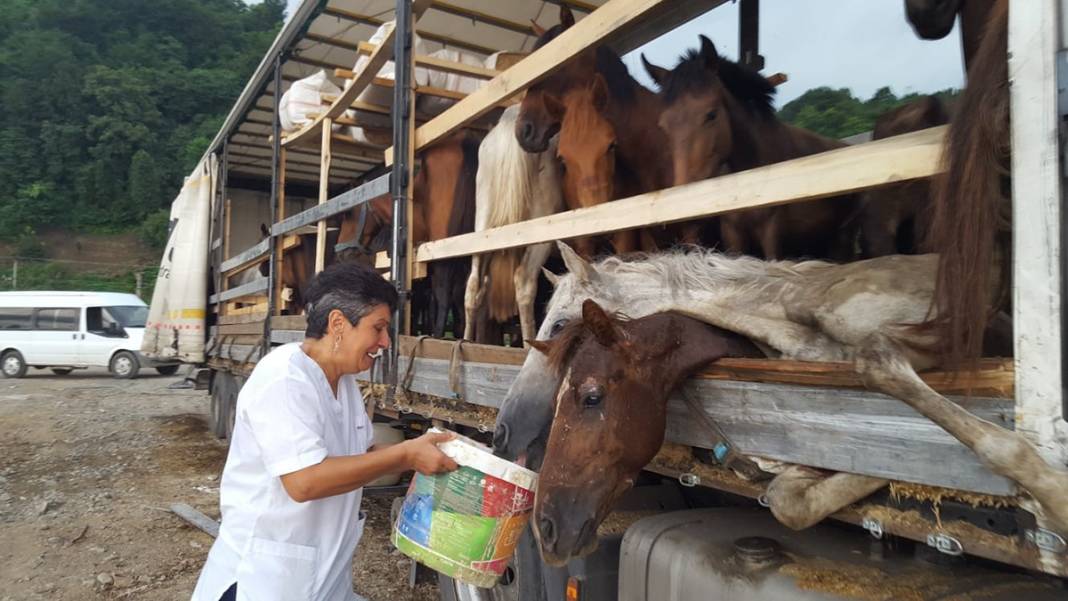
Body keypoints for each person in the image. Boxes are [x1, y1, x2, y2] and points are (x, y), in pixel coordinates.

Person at [191, 263, 458, 601]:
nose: (385, 341)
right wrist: (406, 454)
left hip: (320, 579)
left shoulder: (343, 383)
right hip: (263, 582)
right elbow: (304, 481)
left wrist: (420, 453)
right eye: (378, 328)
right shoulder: (284, 379)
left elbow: (360, 460)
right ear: (337, 324)